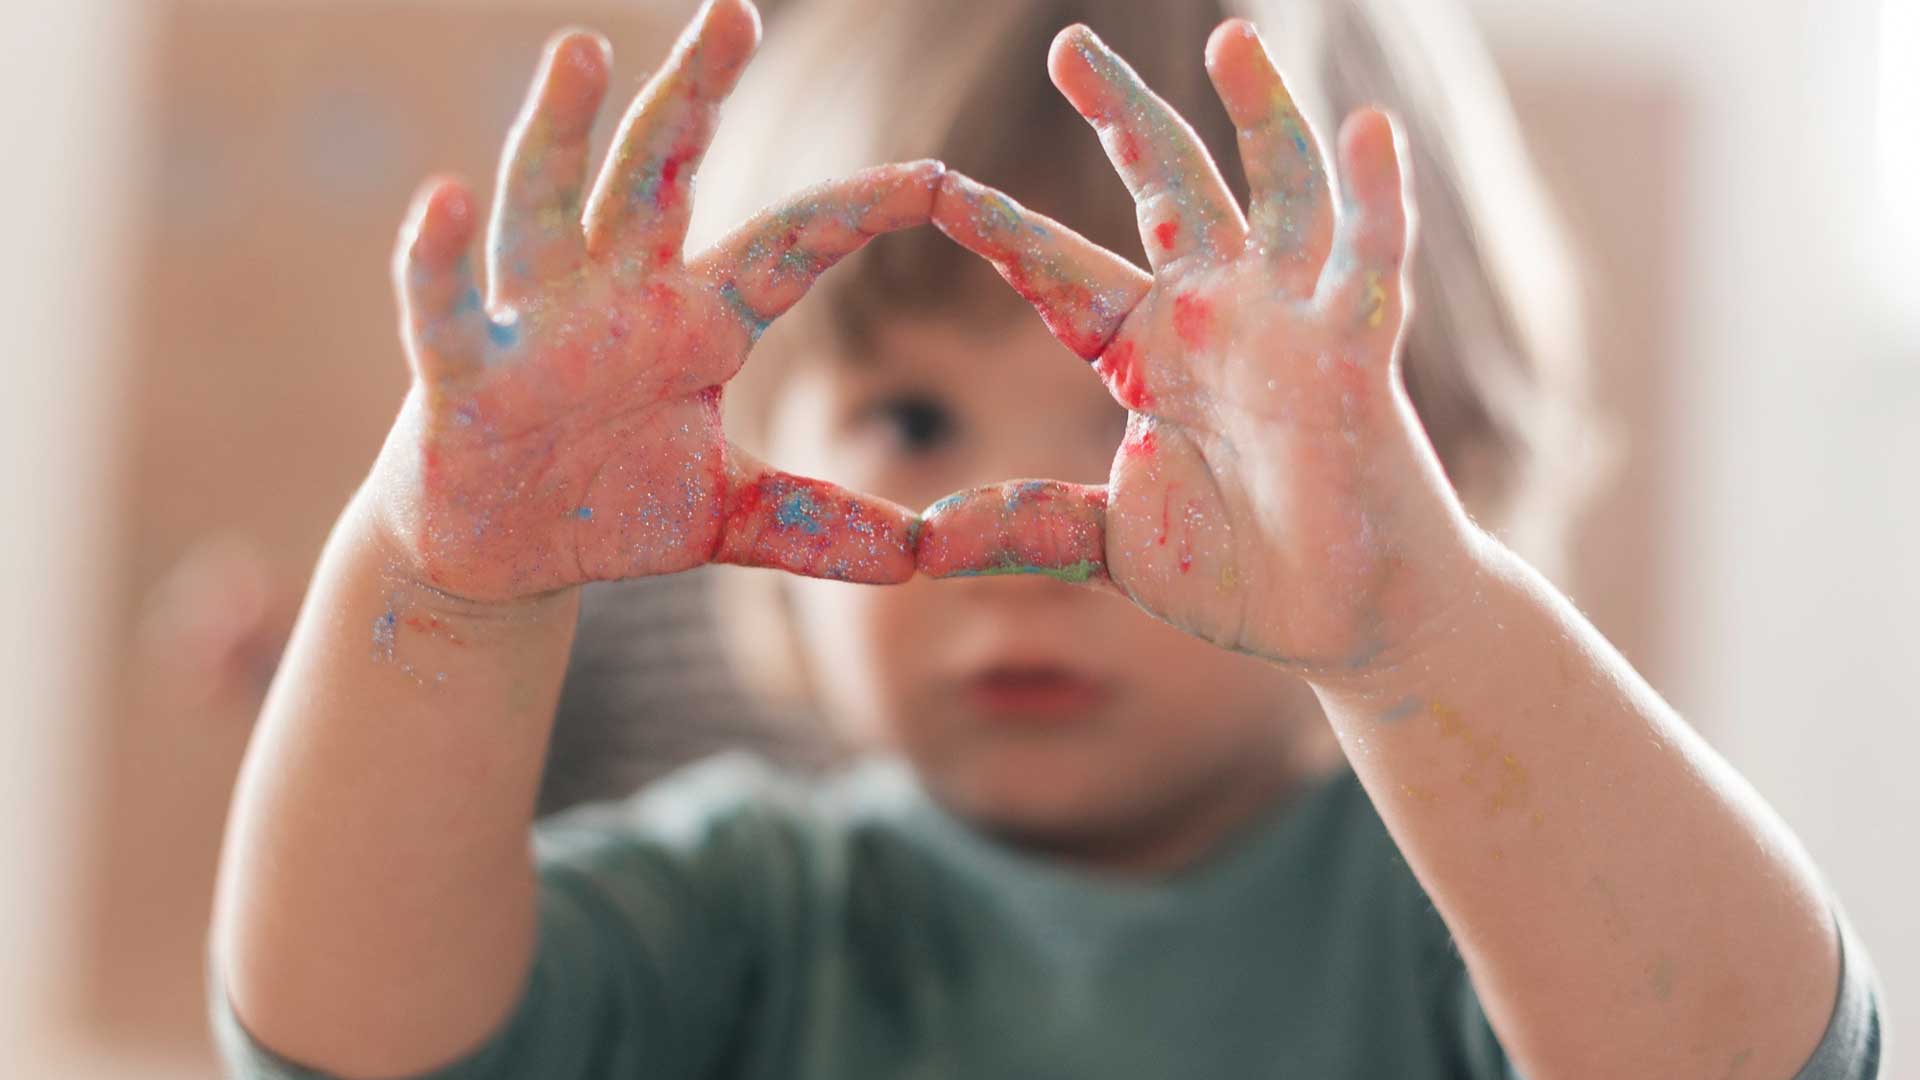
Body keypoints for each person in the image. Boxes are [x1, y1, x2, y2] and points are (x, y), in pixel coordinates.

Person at [208, 0, 1882, 1077]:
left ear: (1443, 463)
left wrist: (1418, 634)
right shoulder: (752, 915)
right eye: (916, 422)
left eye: (1165, 438)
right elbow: (348, 1044)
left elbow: (1752, 1056)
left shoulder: (1465, 919)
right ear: (748, 450)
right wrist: (443, 594)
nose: (1014, 536)